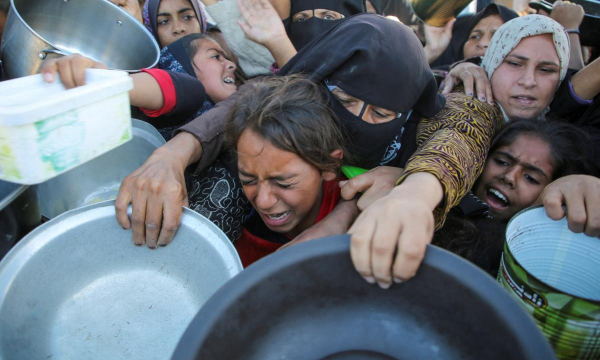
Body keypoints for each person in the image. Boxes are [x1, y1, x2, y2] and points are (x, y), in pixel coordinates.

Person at [113, 11, 504, 293]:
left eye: (382, 113)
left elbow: (467, 127)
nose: (360, 122)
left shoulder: (427, 108)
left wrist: (413, 191)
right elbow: (250, 101)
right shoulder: (310, 85)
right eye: (347, 101)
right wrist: (171, 156)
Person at [433, 119, 598, 275]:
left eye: (530, 178)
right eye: (502, 161)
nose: (509, 177)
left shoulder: (531, 259)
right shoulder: (435, 201)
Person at [225, 75, 347, 266]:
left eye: (283, 183)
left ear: (329, 165)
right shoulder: (235, 227)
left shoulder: (363, 212)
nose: (264, 202)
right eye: (248, 180)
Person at [427, 3, 518, 67]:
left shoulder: (526, 87)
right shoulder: (441, 80)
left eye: (497, 37)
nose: (482, 43)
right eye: (475, 36)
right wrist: (431, 51)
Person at [143, 0, 208, 49]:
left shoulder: (218, 63)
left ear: (201, 21)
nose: (178, 29)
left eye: (187, 17)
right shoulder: (140, 66)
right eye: (164, 21)